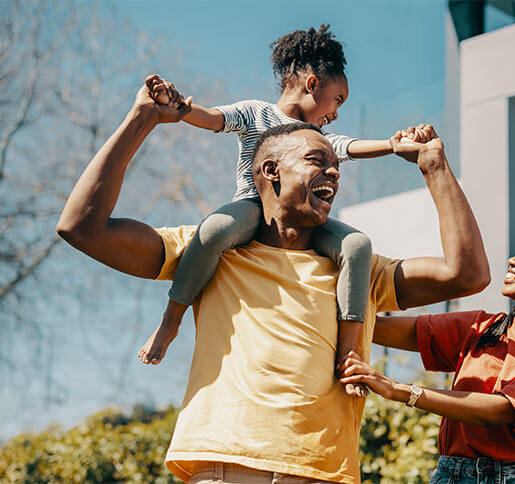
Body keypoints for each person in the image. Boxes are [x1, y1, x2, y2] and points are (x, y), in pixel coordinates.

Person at [57, 79, 489, 483]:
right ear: (269, 171)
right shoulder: (213, 253)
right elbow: (82, 228)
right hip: (228, 467)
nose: (335, 174)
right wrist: (142, 119)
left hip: (328, 474)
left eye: (337, 167)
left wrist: (434, 167)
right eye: (318, 161)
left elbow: (466, 275)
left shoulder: (360, 270)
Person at [138, 26, 399, 391]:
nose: (337, 113)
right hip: (253, 209)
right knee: (213, 230)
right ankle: (170, 322)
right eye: (338, 99)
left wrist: (391, 144)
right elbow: (214, 119)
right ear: (312, 84)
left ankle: (349, 355)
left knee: (356, 245)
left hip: (303, 219)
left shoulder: (317, 138)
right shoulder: (256, 113)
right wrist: (181, 109)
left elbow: (347, 145)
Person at [339, 225, 515, 483]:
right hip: (450, 474)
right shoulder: (482, 328)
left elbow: (501, 409)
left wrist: (399, 390)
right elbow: (378, 328)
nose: (513, 260)